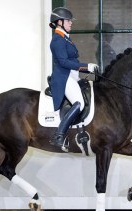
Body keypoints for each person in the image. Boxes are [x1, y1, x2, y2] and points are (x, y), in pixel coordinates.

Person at [48, 7, 98, 150]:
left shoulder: (65, 38)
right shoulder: (57, 40)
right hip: (64, 78)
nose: (71, 23)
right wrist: (86, 66)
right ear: (59, 22)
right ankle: (59, 135)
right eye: (68, 20)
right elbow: (64, 62)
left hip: (71, 76)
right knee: (79, 103)